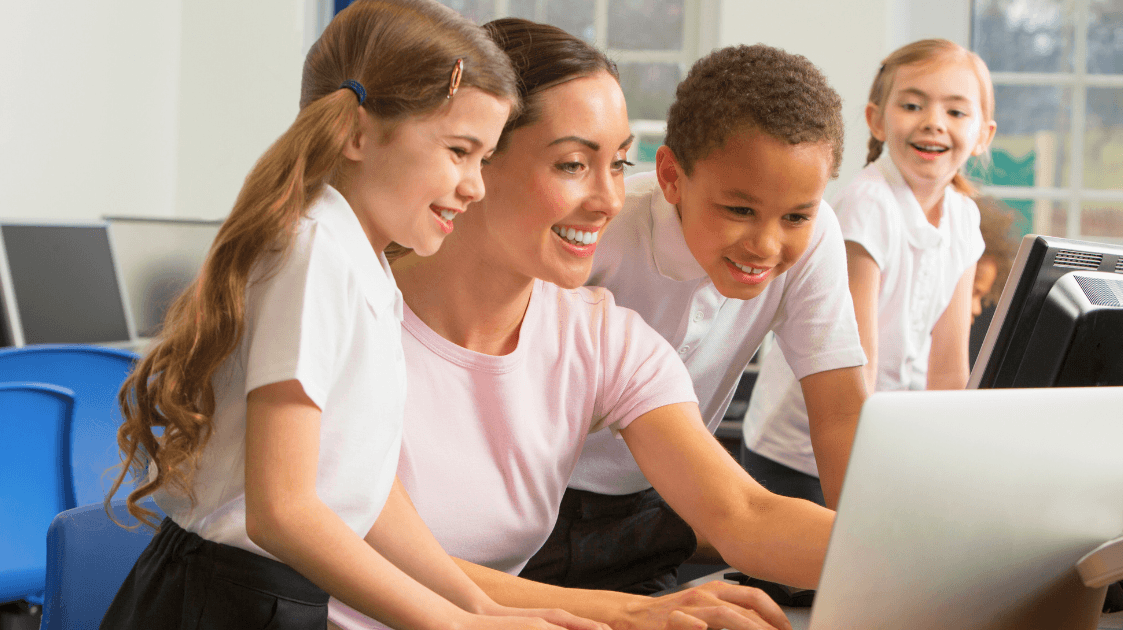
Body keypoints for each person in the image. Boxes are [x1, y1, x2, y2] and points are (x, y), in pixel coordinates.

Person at [99, 3, 601, 629]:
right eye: (459, 151)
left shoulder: (364, 263)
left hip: (271, 596)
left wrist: (477, 603)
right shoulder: (313, 254)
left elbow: (360, 489)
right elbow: (282, 513)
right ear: (358, 134)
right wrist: (456, 625)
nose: (475, 185)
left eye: (484, 158)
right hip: (223, 603)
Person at [328, 18, 832, 630]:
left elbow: (745, 513)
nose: (610, 200)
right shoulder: (348, 315)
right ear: (476, 158)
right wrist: (638, 612)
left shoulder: (604, 338)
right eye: (572, 164)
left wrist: (935, 553)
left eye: (618, 164)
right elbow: (376, 557)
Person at [519, 43, 867, 594]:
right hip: (531, 507)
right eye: (739, 210)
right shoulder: (597, 236)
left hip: (654, 507)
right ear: (671, 177)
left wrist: (880, 547)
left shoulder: (816, 234)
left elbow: (840, 413)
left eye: (796, 215)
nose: (766, 244)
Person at [745, 38, 998, 504]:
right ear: (877, 120)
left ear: (984, 134)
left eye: (957, 112)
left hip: (884, 445)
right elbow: (859, 364)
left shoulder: (964, 217)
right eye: (912, 104)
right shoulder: (867, 205)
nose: (933, 123)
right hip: (805, 454)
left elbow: (947, 367)